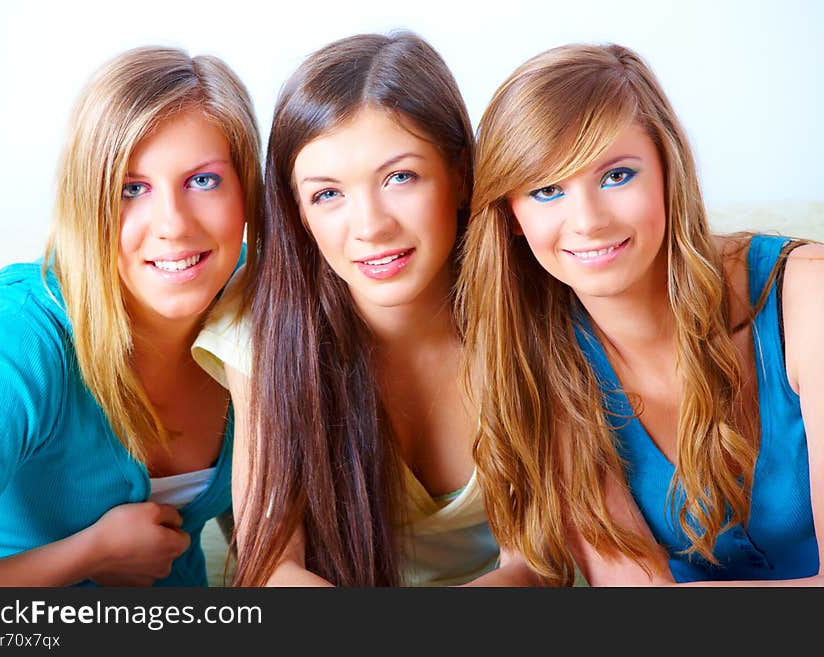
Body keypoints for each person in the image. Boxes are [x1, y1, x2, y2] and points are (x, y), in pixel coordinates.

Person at [457, 42, 823, 586]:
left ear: (666, 172)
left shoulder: (807, 294)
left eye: (616, 176)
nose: (588, 222)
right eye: (547, 190)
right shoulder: (545, 364)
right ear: (512, 216)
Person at [192, 31, 536, 586]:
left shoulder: (526, 302)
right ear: (299, 212)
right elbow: (272, 567)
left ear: (461, 178)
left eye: (400, 177)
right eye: (328, 194)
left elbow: (534, 564)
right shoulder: (263, 322)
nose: (371, 225)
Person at [0, 45, 262, 586]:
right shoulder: (15, 342)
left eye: (203, 180)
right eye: (131, 189)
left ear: (247, 190)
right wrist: (89, 555)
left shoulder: (265, 304)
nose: (173, 225)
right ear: (86, 203)